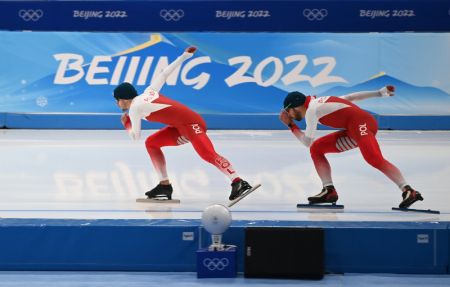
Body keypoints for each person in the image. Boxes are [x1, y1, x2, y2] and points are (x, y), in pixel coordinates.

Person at [113, 46, 252, 201]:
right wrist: (184, 56)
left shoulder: (134, 108)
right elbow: (164, 74)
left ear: (123, 99)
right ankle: (164, 185)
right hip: (180, 128)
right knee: (151, 143)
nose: (117, 104)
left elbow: (135, 136)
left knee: (208, 154)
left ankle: (239, 182)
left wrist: (127, 123)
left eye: (116, 100)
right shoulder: (149, 92)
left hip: (192, 124)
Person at [279, 86, 423, 208]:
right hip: (354, 130)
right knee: (316, 148)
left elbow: (306, 141)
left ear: (295, 107)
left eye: (288, 111)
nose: (289, 115)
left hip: (362, 124)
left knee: (373, 159)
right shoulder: (318, 102)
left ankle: (409, 190)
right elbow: (351, 97)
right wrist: (379, 93)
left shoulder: (311, 110)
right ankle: (329, 190)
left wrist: (291, 126)